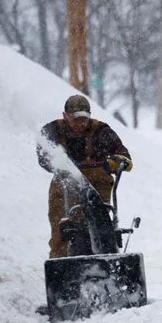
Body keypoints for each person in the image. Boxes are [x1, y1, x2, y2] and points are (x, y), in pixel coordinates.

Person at [37, 95, 133, 259]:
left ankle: (106, 262)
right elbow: (43, 157)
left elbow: (125, 157)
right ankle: (61, 267)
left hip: (98, 187)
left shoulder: (101, 131)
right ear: (65, 115)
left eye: (84, 118)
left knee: (100, 228)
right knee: (62, 230)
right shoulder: (53, 130)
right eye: (76, 119)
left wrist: (117, 162)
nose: (81, 123)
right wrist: (56, 164)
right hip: (64, 187)